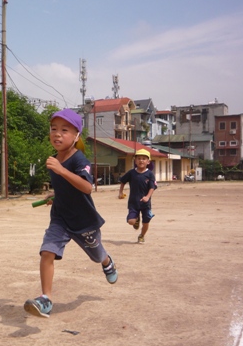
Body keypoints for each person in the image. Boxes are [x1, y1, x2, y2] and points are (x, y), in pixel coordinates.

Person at [24, 108, 118, 318]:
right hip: (60, 218)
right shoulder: (54, 160)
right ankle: (46, 299)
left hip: (83, 221)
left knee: (97, 255)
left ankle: (107, 262)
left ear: (76, 136)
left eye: (64, 130)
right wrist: (55, 195)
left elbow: (86, 187)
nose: (57, 134)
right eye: (53, 129)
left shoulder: (79, 160)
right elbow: (65, 187)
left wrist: (61, 170)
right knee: (47, 252)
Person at [118, 149, 157, 244]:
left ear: (148, 161)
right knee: (131, 221)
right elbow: (123, 181)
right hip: (133, 203)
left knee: (146, 222)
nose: (141, 160)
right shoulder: (131, 173)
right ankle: (136, 220)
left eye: (144, 159)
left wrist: (147, 197)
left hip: (145, 204)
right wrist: (120, 192)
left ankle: (142, 235)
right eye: (139, 158)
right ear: (135, 161)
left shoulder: (150, 174)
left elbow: (152, 187)